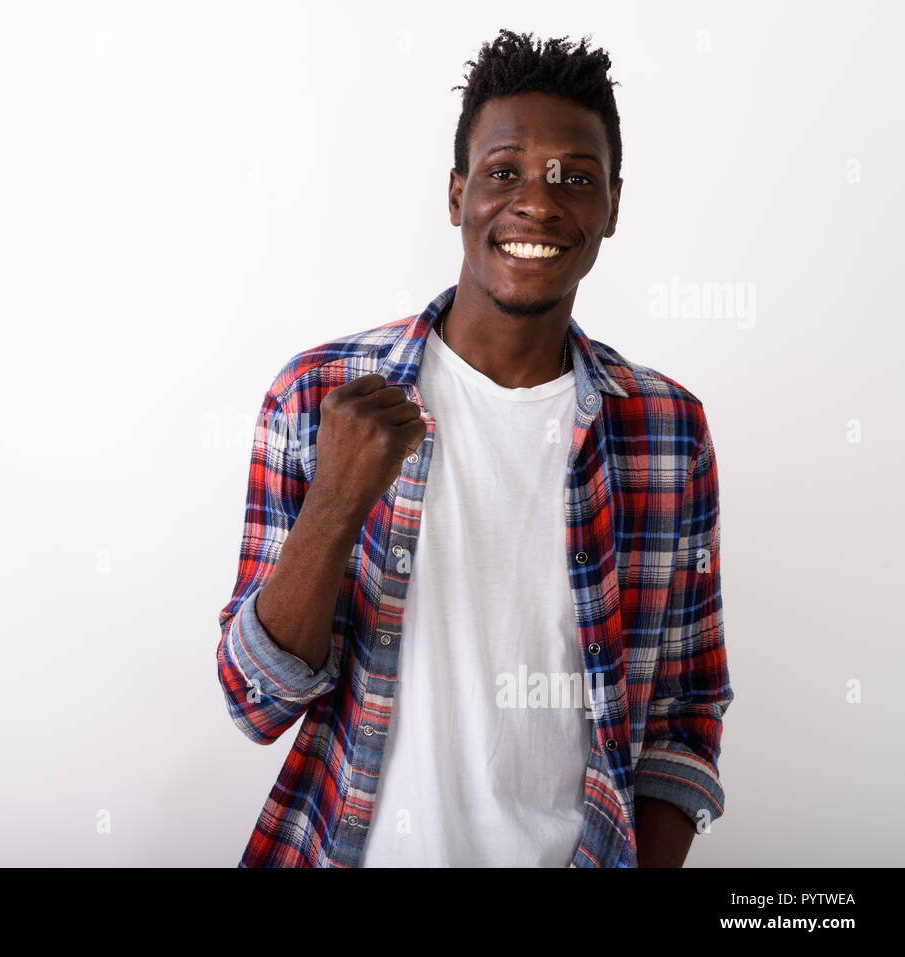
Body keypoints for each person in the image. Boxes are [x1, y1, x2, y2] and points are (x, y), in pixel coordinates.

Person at [215, 29, 733, 868]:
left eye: (575, 177)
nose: (538, 202)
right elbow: (256, 700)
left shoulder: (667, 428)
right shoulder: (317, 396)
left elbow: (685, 707)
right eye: (504, 172)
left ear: (613, 205)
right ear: (457, 195)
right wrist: (339, 503)